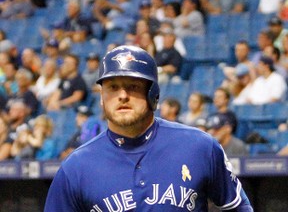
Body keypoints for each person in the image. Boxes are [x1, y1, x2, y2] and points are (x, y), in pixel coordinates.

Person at [44, 45, 253, 211]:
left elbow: (238, 207)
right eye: (113, 87)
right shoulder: (76, 167)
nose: (122, 95)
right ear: (101, 97)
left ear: (153, 94)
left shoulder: (200, 146)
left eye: (133, 86)